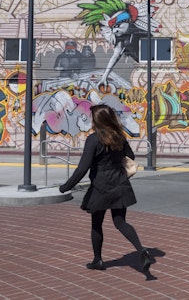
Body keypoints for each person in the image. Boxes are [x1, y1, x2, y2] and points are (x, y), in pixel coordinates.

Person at [59, 104, 152, 273]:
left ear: (97, 120)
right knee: (120, 222)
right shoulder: (119, 137)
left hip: (100, 186)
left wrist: (66, 187)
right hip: (120, 183)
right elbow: (130, 156)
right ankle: (141, 250)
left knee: (97, 224)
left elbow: (82, 168)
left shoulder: (93, 140)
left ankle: (98, 260)